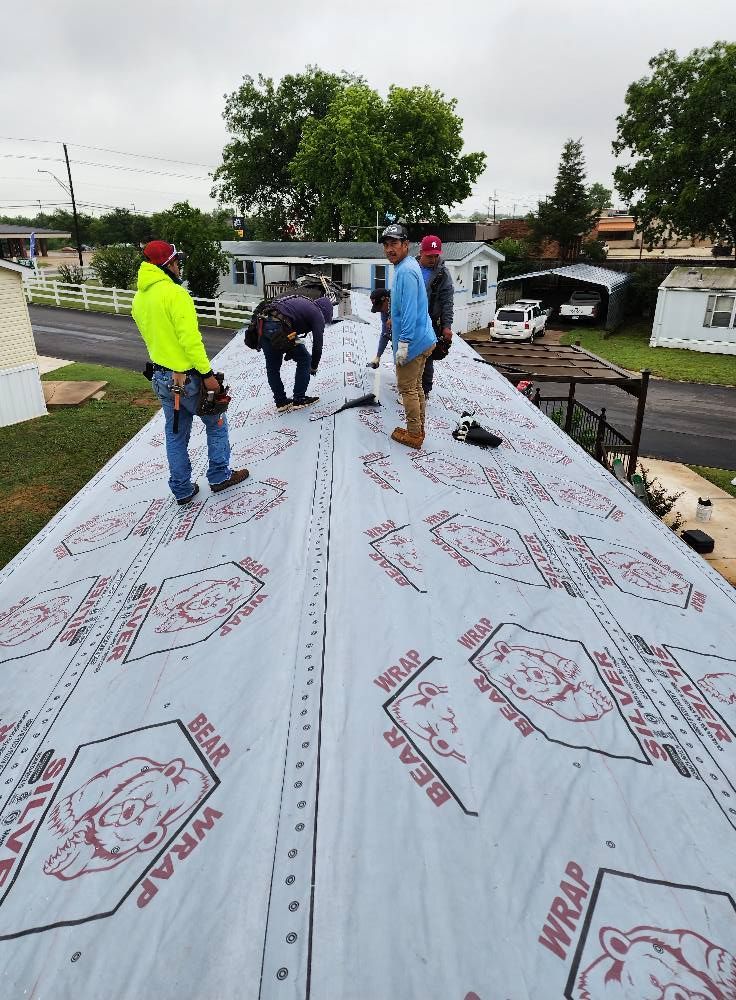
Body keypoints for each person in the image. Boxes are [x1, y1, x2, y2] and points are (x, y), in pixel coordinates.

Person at [132, 240, 248, 505]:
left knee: (175, 434)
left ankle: (182, 489)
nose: (179, 266)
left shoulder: (140, 298)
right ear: (166, 265)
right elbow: (190, 341)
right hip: (189, 377)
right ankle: (219, 476)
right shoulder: (175, 294)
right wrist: (207, 374)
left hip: (162, 378)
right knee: (216, 422)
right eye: (176, 262)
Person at [380, 224, 436, 448]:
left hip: (413, 341)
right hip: (424, 337)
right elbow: (406, 304)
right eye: (386, 245)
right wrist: (395, 316)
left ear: (406, 245)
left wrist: (403, 345)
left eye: (394, 243)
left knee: (407, 389)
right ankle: (419, 428)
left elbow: (411, 312)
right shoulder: (408, 264)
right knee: (417, 387)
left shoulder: (406, 271)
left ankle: (414, 434)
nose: (389, 249)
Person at [259, 294, 333, 412]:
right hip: (279, 326)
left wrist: (290, 348)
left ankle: (281, 402)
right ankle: (299, 399)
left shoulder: (304, 303)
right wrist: (313, 366)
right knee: (305, 359)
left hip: (262, 325)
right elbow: (318, 345)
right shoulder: (317, 313)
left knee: (272, 368)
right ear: (325, 312)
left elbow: (291, 325)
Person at [416, 234, 454, 397]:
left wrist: (446, 326)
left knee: (427, 357)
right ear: (421, 252)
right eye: (429, 256)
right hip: (410, 321)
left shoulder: (442, 274)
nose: (432, 259)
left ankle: (424, 390)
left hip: (430, 323)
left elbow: (447, 302)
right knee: (406, 355)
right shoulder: (410, 267)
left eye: (435, 256)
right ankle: (408, 387)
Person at [367, 288, 391, 368]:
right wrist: (378, 356)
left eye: (380, 307)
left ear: (386, 299)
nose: (380, 310)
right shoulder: (384, 312)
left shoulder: (401, 303)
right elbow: (385, 333)